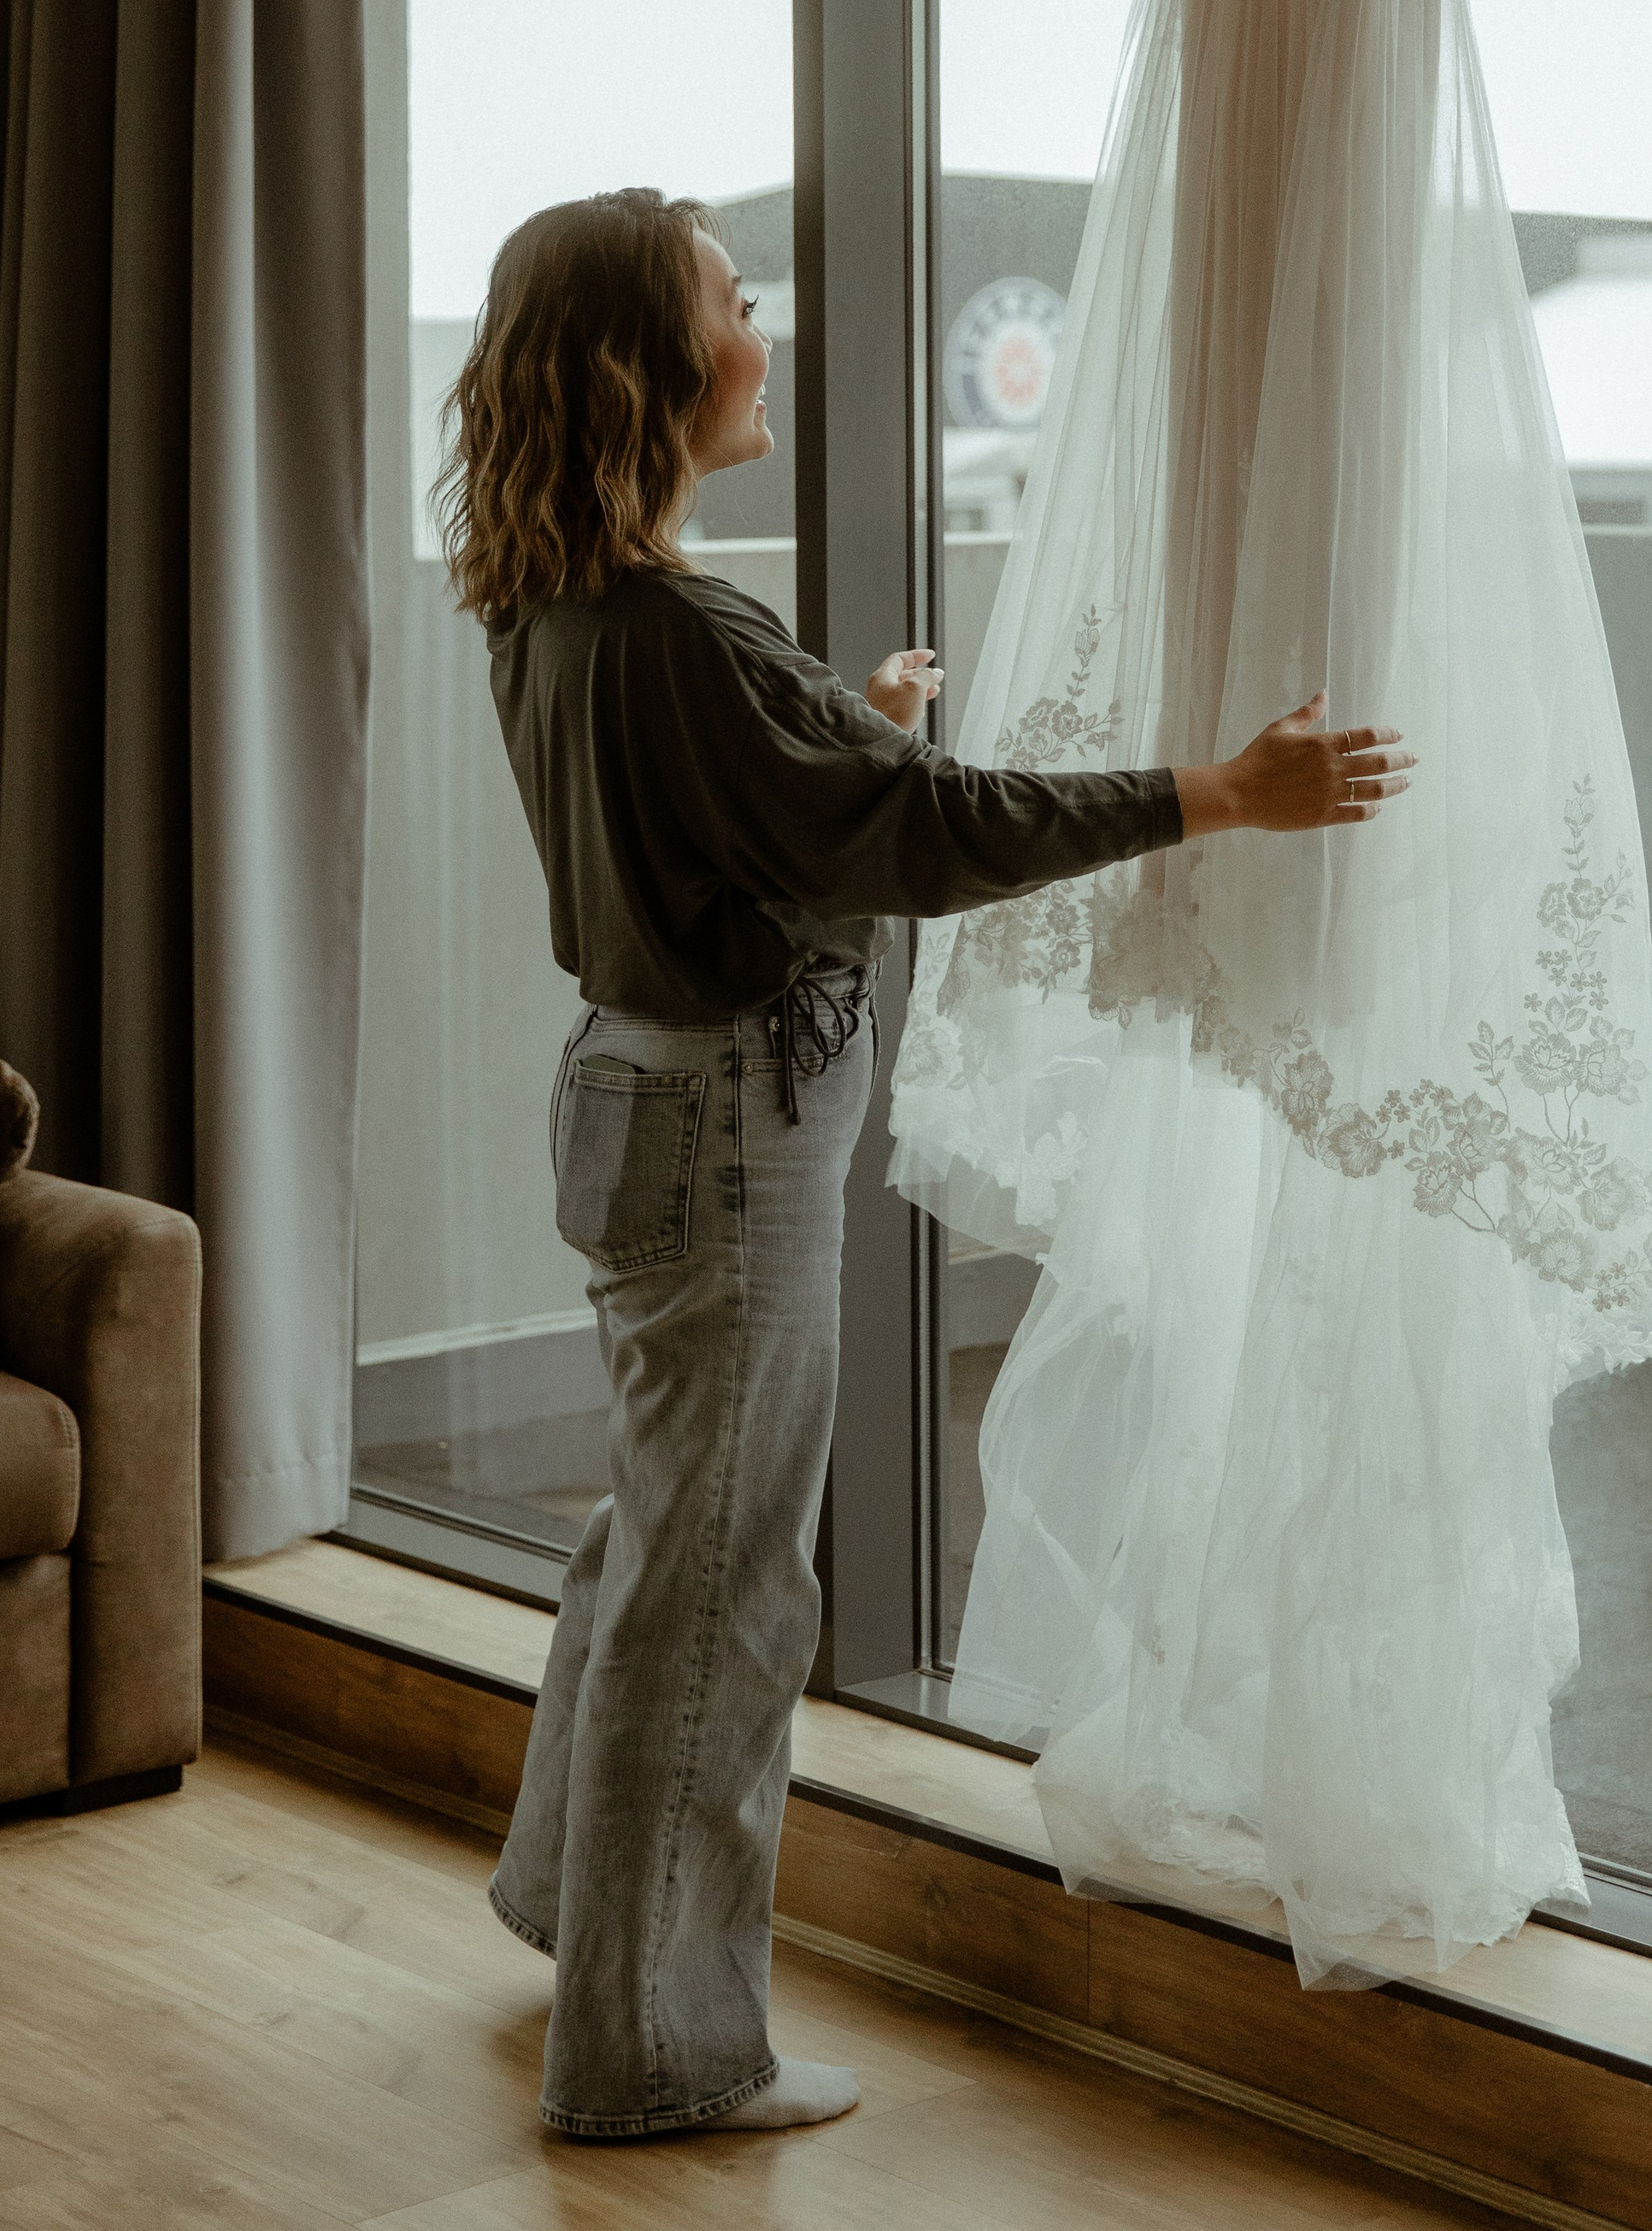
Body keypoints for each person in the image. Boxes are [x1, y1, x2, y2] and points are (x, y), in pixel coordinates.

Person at [441, 184, 1414, 2141]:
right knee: (718, 1585)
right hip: (723, 1134)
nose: (762, 335)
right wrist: (1217, 792)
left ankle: (582, 1913)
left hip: (629, 1101)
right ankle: (656, 2050)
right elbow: (929, 834)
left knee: (653, 1540)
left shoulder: (554, 607)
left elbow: (738, 819)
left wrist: (845, 727)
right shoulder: (679, 631)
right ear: (652, 364)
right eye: (734, 304)